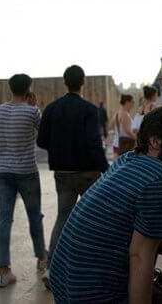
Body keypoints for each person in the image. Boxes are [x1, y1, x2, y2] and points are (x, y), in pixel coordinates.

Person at [49, 104, 162, 304]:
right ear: (155, 141)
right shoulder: (161, 177)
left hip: (68, 292)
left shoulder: (127, 160)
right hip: (100, 298)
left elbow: (130, 231)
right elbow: (139, 256)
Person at [37, 65, 109, 288]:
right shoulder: (89, 109)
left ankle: (51, 268)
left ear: (64, 82)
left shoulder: (51, 108)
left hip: (63, 173)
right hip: (88, 172)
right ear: (82, 82)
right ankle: (98, 267)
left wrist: (59, 148)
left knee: (63, 218)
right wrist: (106, 168)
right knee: (95, 219)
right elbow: (94, 143)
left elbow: (41, 141)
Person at [0, 73, 47, 288]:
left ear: (10, 88)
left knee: (5, 219)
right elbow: (43, 138)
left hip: (3, 171)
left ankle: (4, 271)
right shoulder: (32, 112)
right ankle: (41, 258)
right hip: (27, 172)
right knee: (34, 216)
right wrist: (35, 108)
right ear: (28, 89)